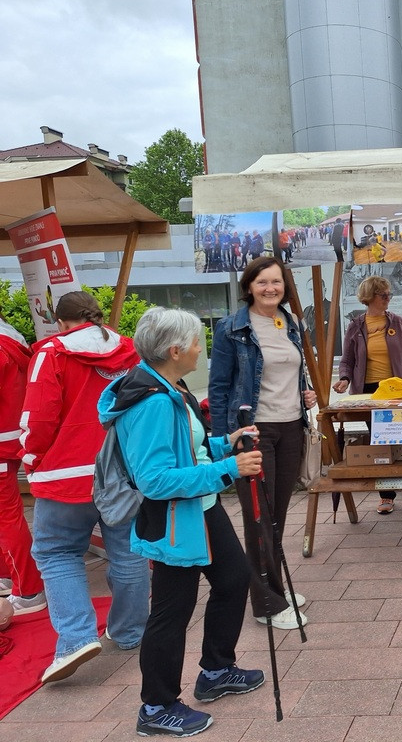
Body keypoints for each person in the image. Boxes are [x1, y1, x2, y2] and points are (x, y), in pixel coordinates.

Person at [99, 307, 265, 737]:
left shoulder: (170, 386)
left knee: (233, 580)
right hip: (173, 519)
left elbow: (185, 446)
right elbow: (154, 480)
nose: (200, 350)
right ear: (175, 350)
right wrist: (229, 468)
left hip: (201, 507)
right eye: (196, 342)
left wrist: (224, 444)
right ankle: (155, 707)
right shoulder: (153, 402)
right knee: (172, 612)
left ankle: (215, 670)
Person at [20, 291, 149, 683]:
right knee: (127, 551)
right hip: (121, 471)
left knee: (57, 553)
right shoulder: (131, 352)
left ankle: (76, 639)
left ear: (60, 322)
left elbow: (38, 418)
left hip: (63, 475)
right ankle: (130, 632)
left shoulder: (51, 353)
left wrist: (33, 459)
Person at [208, 257, 317, 631]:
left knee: (277, 515)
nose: (271, 288)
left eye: (276, 282)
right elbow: (219, 388)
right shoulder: (231, 328)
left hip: (290, 428)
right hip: (254, 431)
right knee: (258, 517)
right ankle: (266, 604)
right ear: (248, 287)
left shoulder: (291, 323)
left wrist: (306, 395)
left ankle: (274, 588)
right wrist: (227, 439)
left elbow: (292, 370)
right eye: (262, 283)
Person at [332, 276, 402, 514]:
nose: (388, 299)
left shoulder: (398, 322)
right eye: (383, 295)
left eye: (389, 294)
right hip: (371, 393)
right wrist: (344, 380)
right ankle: (386, 496)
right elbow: (348, 360)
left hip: (400, 391)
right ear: (370, 297)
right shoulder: (356, 326)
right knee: (381, 444)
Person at [0, 317, 44, 609]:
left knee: (6, 515)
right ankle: (7, 575)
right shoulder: (10, 337)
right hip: (13, 435)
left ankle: (28, 589)